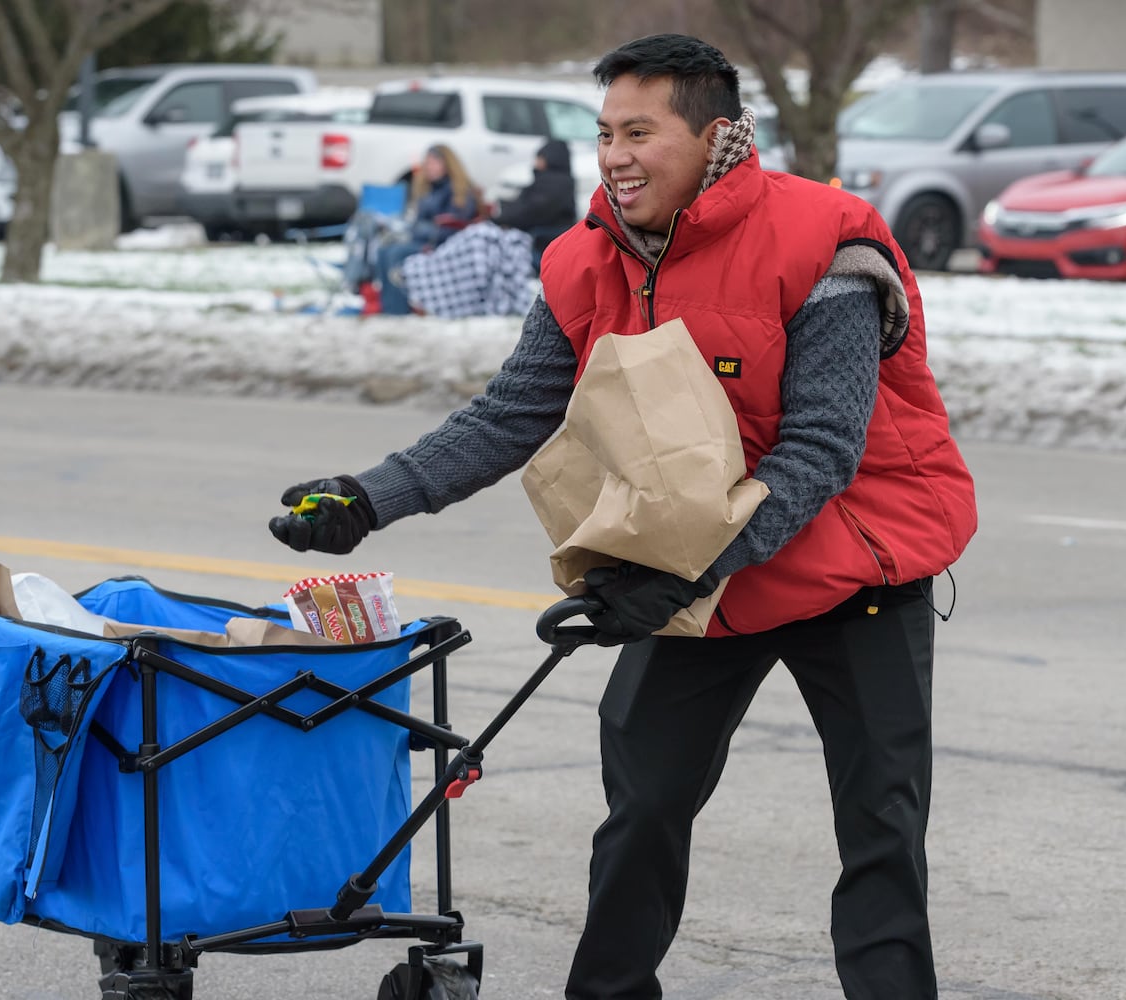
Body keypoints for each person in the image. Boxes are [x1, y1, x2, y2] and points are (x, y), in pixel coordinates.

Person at [267, 33, 976, 999]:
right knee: (643, 805)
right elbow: (511, 414)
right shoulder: (584, 260)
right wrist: (368, 496)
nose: (615, 156)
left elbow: (822, 450)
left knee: (881, 825)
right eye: (605, 133)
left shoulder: (827, 241)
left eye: (641, 131)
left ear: (717, 136)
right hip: (691, 573)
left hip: (852, 562)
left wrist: (684, 570)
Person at [341, 143, 483, 299]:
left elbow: (452, 227)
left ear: (448, 164)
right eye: (427, 163)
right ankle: (383, 302)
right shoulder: (428, 190)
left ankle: (397, 307)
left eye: (434, 162)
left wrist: (418, 229)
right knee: (383, 249)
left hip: (446, 244)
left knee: (396, 253)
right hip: (424, 239)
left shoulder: (459, 191)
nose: (429, 167)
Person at [491, 137, 578, 271]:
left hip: (541, 241)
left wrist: (499, 217)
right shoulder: (555, 181)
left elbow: (531, 212)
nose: (536, 162)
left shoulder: (554, 184)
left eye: (539, 157)